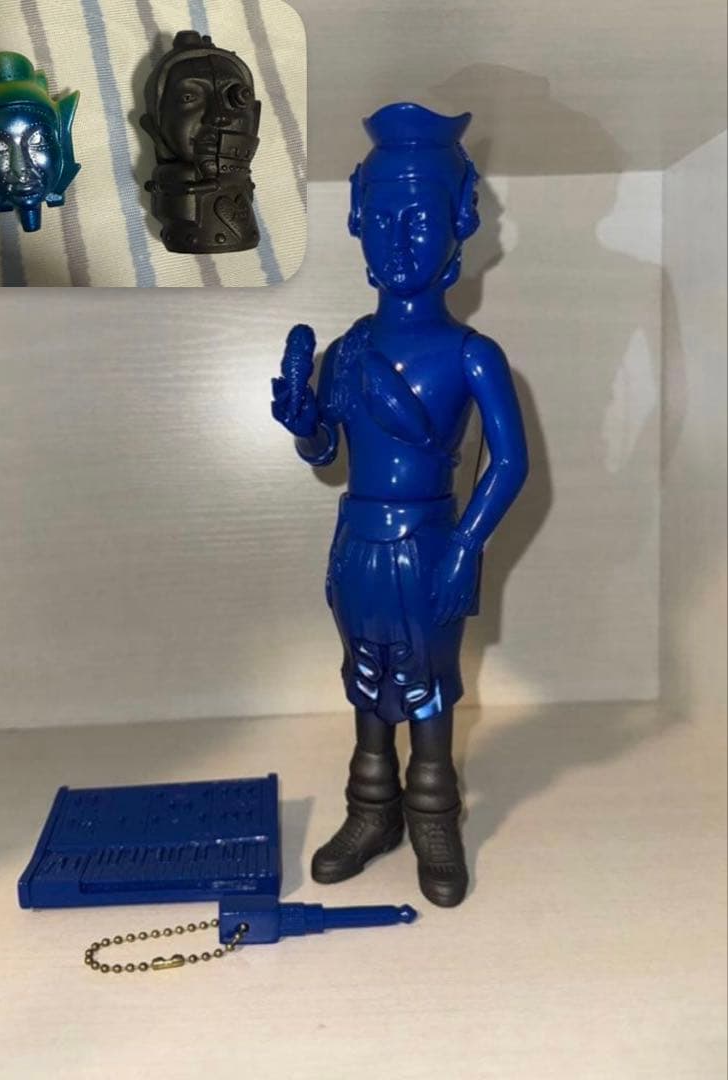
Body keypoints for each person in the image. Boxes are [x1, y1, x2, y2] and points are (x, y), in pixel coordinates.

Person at [272, 103, 529, 906]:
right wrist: (305, 426)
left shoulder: (471, 355)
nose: (399, 239)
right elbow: (328, 453)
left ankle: (433, 815)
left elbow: (509, 462)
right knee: (364, 675)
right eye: (382, 219)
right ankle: (369, 810)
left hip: (429, 541)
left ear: (461, 223)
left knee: (431, 682)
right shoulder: (349, 350)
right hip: (357, 540)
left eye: (419, 219)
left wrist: (466, 546)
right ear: (356, 222)